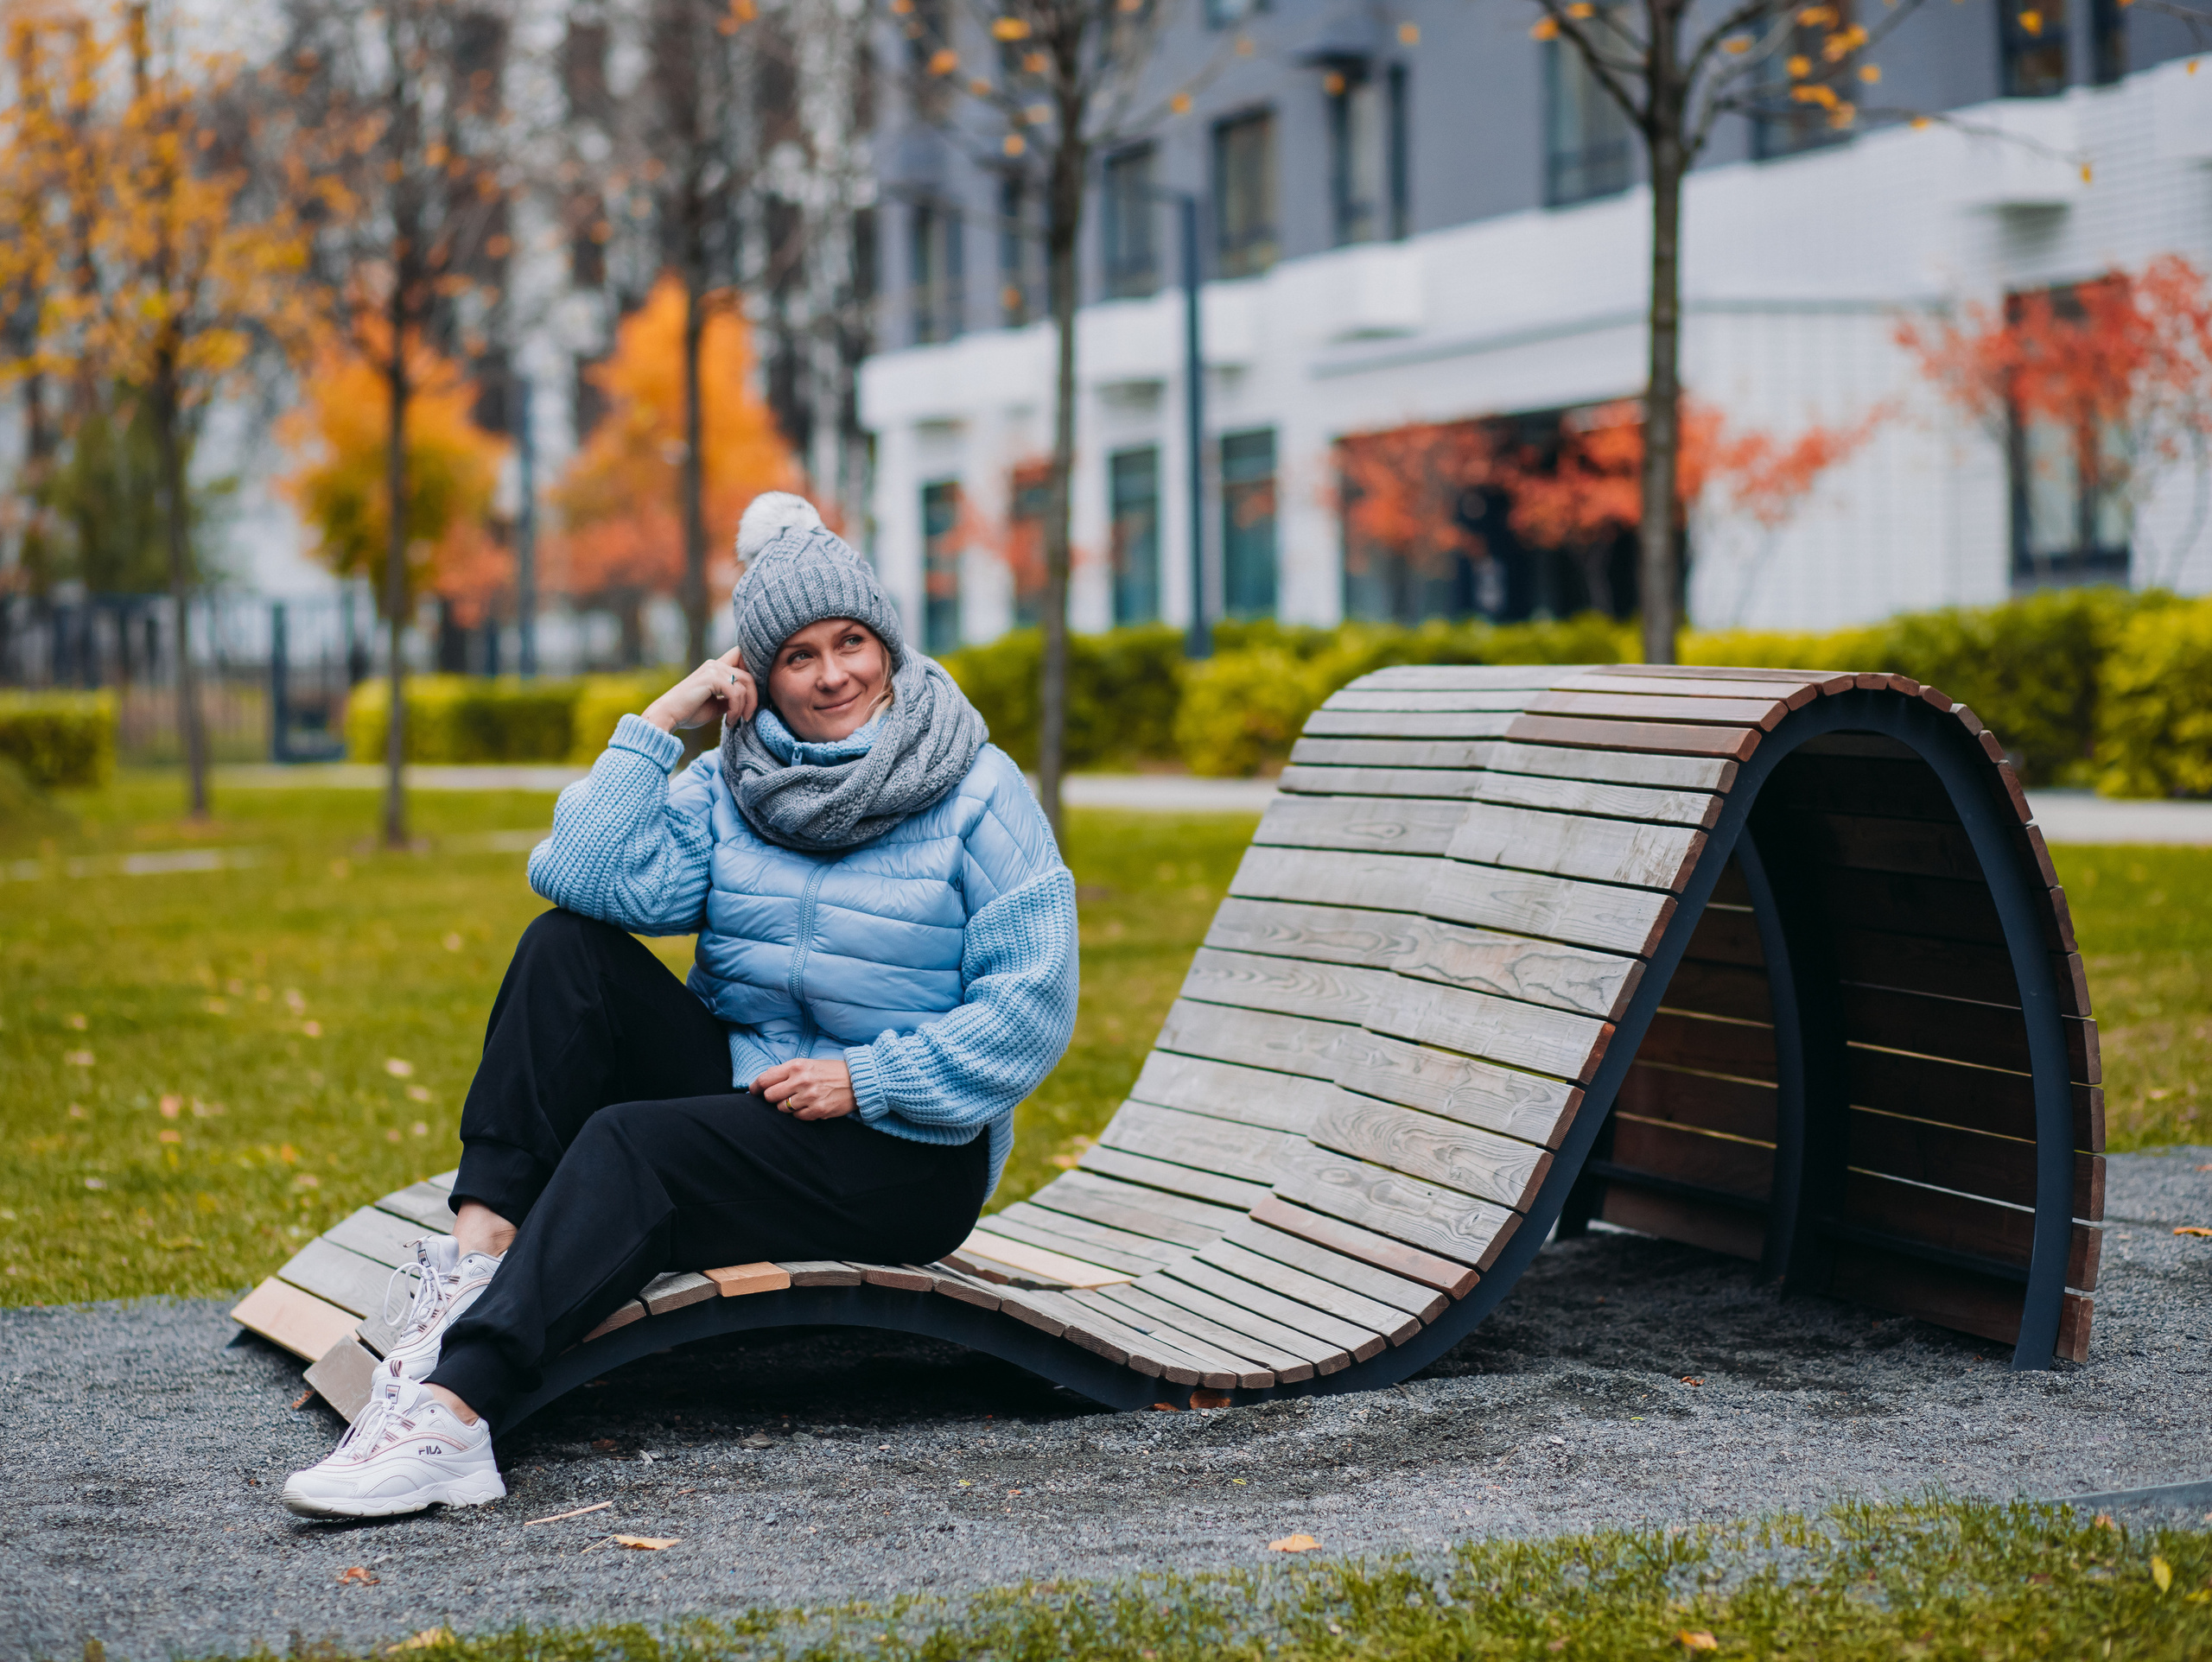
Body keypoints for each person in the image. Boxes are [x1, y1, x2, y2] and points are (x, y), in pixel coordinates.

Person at [281, 493, 1079, 1519]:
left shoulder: (977, 788)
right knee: (563, 950)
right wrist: (661, 722)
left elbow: (1033, 1006)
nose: (832, 674)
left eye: (851, 642)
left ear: (887, 644)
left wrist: (866, 1077)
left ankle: (454, 1412)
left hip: (905, 1146)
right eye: (797, 655)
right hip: (757, 1095)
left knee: (631, 1144)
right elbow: (580, 876)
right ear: (757, 674)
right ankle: (477, 1266)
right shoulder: (739, 782)